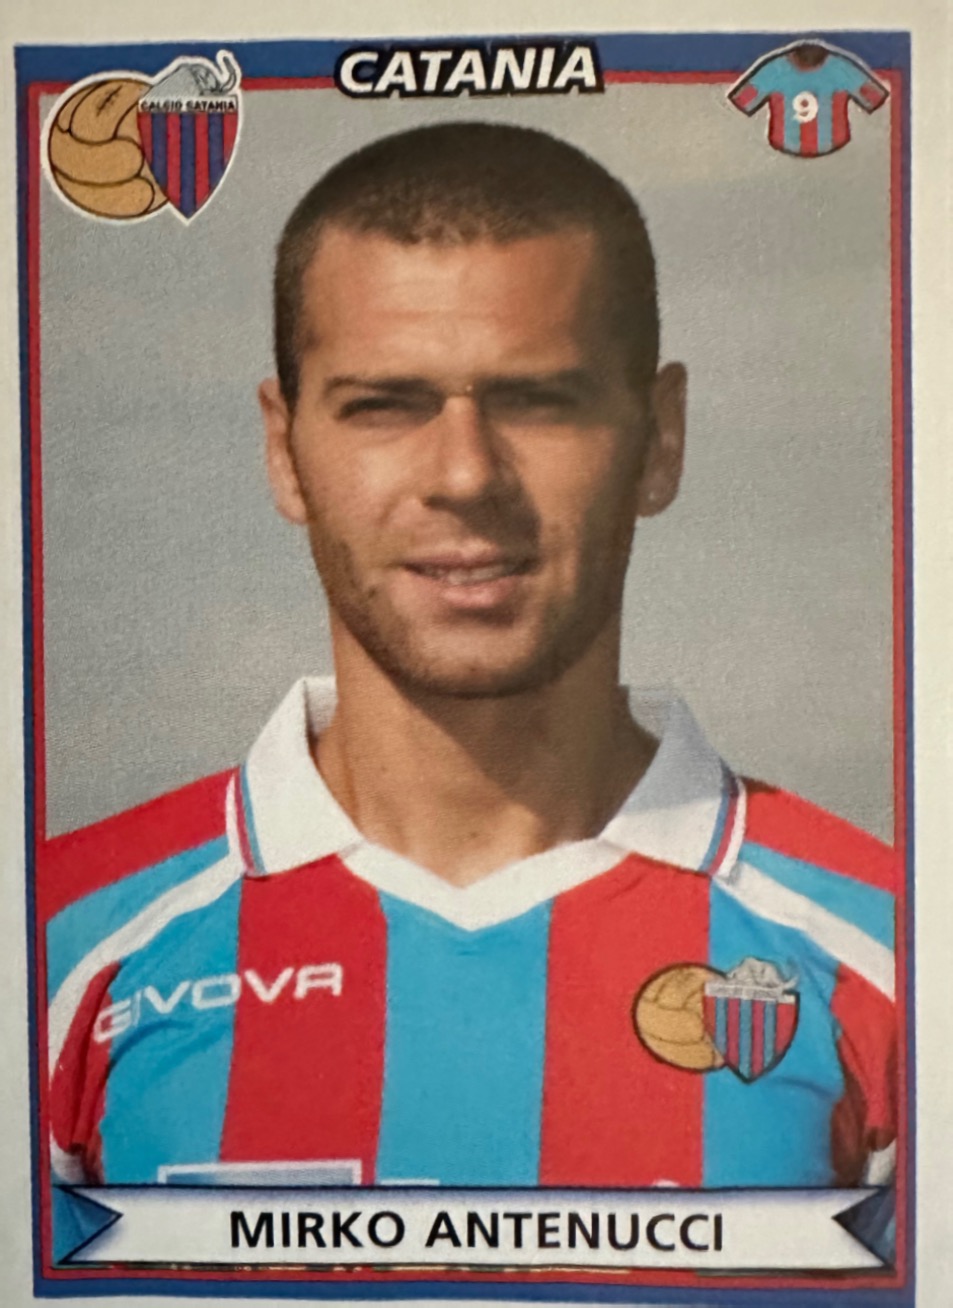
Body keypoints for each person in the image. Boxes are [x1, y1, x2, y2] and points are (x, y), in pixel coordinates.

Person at [47, 122, 896, 1199]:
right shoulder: (55, 948)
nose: (463, 475)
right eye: (383, 406)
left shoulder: (893, 954)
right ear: (283, 450)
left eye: (537, 401)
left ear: (659, 438)